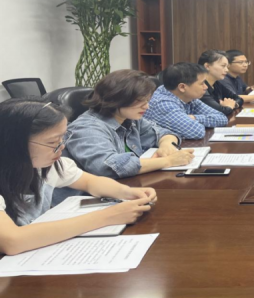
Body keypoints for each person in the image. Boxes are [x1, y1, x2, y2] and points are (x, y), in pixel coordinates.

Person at [0, 99, 156, 256]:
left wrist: (127, 192)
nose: (62, 147)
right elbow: (13, 241)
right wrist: (108, 216)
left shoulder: (43, 166)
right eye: (53, 142)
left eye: (63, 138)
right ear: (14, 143)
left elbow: (90, 182)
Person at [64, 70, 194, 179]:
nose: (147, 107)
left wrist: (167, 145)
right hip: (89, 198)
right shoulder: (87, 128)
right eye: (141, 101)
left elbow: (163, 132)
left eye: (147, 100)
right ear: (117, 99)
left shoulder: (129, 118)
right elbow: (108, 167)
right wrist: (168, 161)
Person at [145, 62, 228, 140]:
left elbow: (222, 118)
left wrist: (194, 117)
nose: (206, 87)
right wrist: (199, 120)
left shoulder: (188, 97)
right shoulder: (164, 104)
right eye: (202, 83)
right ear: (182, 87)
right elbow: (196, 131)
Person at [197, 50, 243, 116]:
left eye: (227, 67)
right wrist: (228, 106)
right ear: (207, 66)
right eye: (223, 66)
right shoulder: (200, 87)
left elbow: (239, 99)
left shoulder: (216, 84)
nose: (227, 70)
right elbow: (219, 111)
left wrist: (233, 104)